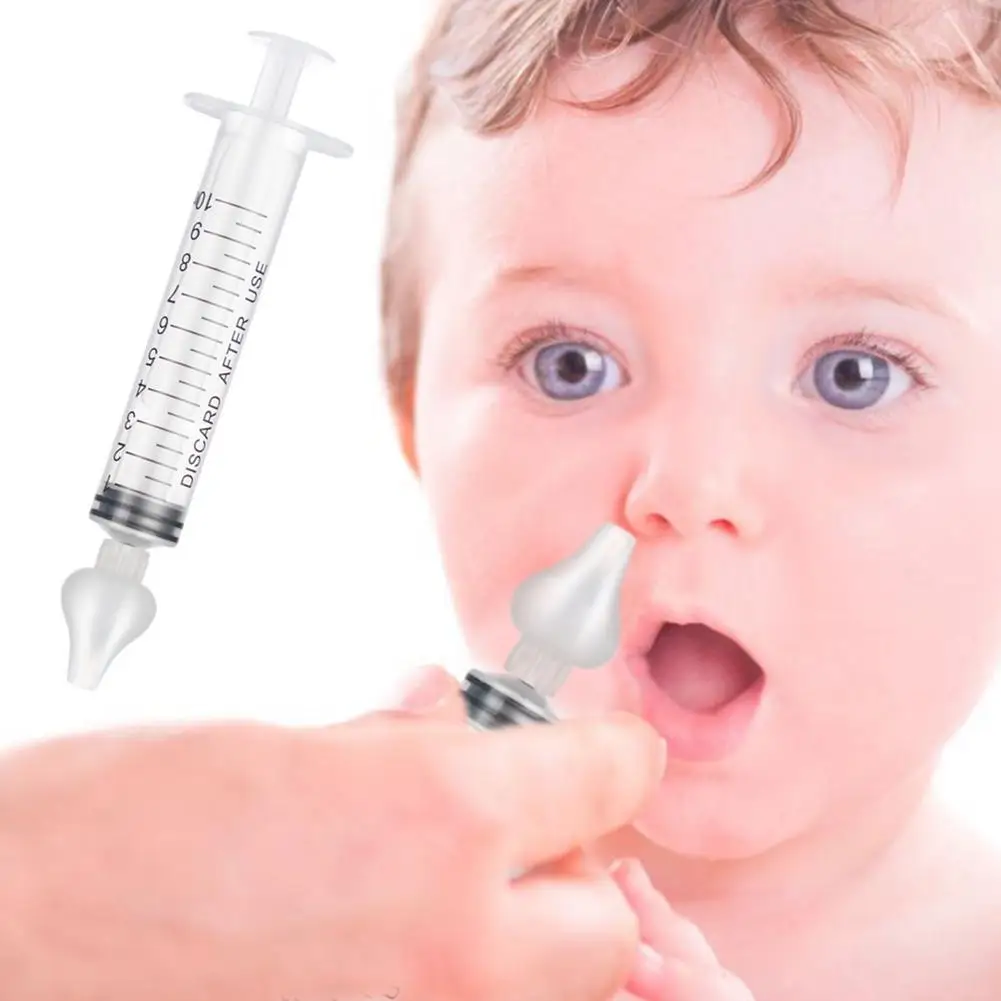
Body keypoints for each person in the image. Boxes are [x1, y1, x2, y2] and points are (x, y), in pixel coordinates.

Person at [4, 1, 1001, 998]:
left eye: (855, 375)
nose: (687, 485)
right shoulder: (270, 930)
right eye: (569, 363)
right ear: (412, 420)